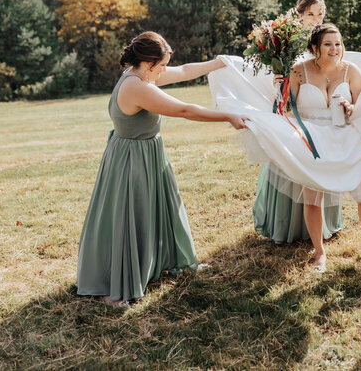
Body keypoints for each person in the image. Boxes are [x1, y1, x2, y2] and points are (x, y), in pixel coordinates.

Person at [76, 32, 247, 307]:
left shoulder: (141, 75)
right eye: (162, 65)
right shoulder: (137, 86)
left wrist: (219, 62)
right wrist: (227, 115)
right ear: (147, 62)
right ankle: (114, 285)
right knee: (131, 214)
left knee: (161, 206)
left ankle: (166, 260)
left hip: (146, 151)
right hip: (132, 158)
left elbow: (185, 71)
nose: (165, 70)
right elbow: (184, 111)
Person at [289, 24, 361, 271]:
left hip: (346, 137)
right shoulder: (298, 72)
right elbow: (288, 109)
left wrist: (352, 109)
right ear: (314, 48)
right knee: (312, 198)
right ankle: (319, 253)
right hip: (313, 140)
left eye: (338, 43)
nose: (335, 49)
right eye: (328, 44)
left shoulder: (352, 71)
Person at [253, 0, 344, 244]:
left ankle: (322, 224)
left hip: (319, 115)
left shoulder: (327, 39)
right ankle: (288, 225)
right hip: (295, 111)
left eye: (320, 14)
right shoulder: (287, 40)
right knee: (290, 160)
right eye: (311, 14)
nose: (316, 20)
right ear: (300, 14)